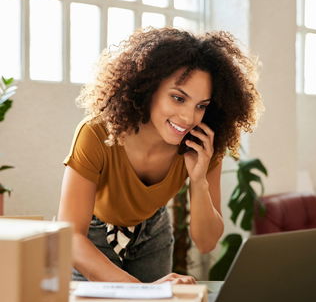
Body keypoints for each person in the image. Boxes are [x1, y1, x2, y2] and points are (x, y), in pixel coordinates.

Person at [58, 27, 263, 284]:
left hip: (152, 231)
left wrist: (198, 180)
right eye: (178, 98)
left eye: (201, 106)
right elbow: (71, 236)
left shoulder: (203, 144)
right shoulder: (97, 133)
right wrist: (142, 291)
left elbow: (206, 242)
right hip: (91, 237)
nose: (189, 117)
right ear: (148, 87)